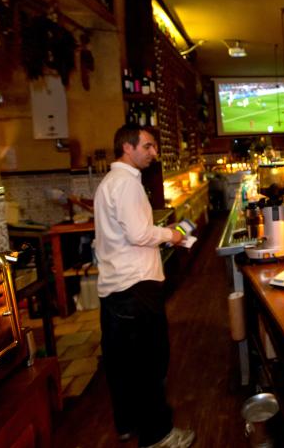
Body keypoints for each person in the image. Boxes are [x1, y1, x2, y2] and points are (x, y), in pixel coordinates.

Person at [94, 124, 195, 448]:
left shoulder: (110, 182)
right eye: (148, 146)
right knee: (149, 364)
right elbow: (139, 234)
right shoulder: (126, 184)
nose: (154, 153)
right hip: (136, 287)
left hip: (114, 289)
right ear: (128, 147)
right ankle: (158, 435)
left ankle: (128, 423)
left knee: (122, 364)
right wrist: (172, 235)